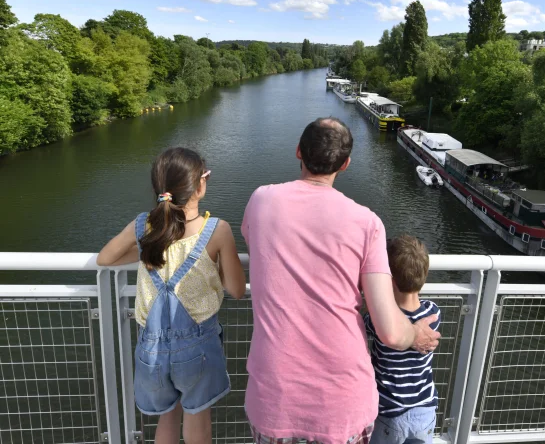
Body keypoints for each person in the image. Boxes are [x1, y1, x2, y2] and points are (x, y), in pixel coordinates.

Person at [241, 118, 440, 444]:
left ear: (298, 152)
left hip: (275, 395)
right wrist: (415, 332)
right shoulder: (367, 224)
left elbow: (257, 244)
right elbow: (390, 331)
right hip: (342, 400)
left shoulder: (261, 201)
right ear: (345, 164)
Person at [97, 147, 246, 444]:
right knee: (197, 417)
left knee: (168, 415)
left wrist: (144, 250)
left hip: (150, 349)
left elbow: (105, 258)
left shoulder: (143, 225)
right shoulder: (216, 230)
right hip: (198, 347)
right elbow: (237, 290)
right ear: (200, 184)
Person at [364, 236, 440, 444]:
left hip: (391, 412)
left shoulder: (379, 321)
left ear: (389, 281)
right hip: (425, 411)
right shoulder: (433, 313)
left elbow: (365, 324)